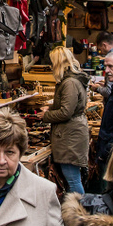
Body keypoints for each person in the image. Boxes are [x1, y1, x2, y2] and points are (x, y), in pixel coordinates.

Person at [41, 46, 90, 195]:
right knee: (73, 179)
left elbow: (66, 112)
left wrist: (45, 116)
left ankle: (80, 213)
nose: (50, 66)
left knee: (73, 180)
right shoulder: (71, 80)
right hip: (71, 133)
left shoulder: (69, 83)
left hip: (70, 136)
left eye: (51, 63)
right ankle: (77, 211)